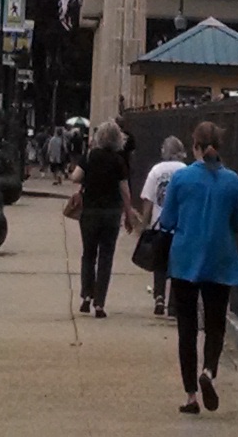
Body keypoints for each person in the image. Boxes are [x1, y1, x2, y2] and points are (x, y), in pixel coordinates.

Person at [155, 120, 238, 413]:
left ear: (194, 146)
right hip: (220, 259)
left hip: (185, 258)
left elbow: (167, 220)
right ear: (219, 147)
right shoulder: (233, 181)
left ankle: (190, 396)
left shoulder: (182, 179)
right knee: (215, 324)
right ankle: (208, 370)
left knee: (186, 327)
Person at [64, 123, 132, 315]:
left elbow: (75, 177)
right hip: (111, 212)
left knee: (89, 254)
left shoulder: (90, 156)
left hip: (90, 211)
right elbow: (125, 190)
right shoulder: (119, 161)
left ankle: (86, 295)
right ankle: (100, 302)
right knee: (106, 256)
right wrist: (128, 213)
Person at [134, 135, 189, 315]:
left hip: (160, 225)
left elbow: (148, 199)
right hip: (180, 226)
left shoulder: (156, 170)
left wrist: (145, 224)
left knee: (160, 264)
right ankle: (173, 303)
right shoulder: (186, 171)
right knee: (177, 265)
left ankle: (159, 296)